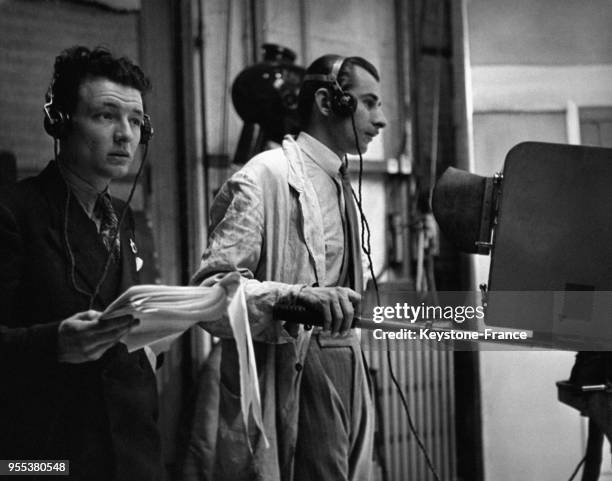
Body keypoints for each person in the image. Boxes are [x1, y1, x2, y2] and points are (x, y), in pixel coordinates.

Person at [192, 54, 387, 481]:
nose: (381, 118)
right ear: (326, 101)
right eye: (369, 102)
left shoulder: (340, 182)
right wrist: (294, 297)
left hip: (348, 356)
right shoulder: (264, 177)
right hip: (296, 363)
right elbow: (212, 296)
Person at [0, 46, 163, 481]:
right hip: (44, 461)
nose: (126, 135)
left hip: (133, 456)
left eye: (135, 121)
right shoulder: (13, 212)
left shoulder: (127, 219)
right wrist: (55, 342)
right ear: (61, 122)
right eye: (106, 115)